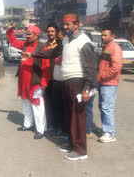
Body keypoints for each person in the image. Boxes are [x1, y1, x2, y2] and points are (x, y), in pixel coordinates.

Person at [25, 14, 97, 160]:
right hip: (66, 81)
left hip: (78, 81)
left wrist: (87, 89)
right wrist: (32, 54)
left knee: (78, 116)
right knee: (69, 115)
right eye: (64, 24)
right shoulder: (65, 40)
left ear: (77, 24)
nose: (65, 27)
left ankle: (80, 150)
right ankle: (72, 144)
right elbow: (51, 52)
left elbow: (91, 68)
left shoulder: (84, 42)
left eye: (68, 24)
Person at [7, 22, 50, 139]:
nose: (27, 36)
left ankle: (40, 129)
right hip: (24, 80)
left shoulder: (42, 47)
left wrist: (44, 83)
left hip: (35, 81)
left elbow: (46, 67)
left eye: (29, 34)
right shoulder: (25, 44)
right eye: (27, 34)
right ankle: (28, 124)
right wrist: (10, 30)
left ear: (36, 35)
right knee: (25, 102)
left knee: (37, 105)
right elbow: (14, 42)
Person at [97, 28, 122, 143]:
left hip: (109, 83)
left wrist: (102, 76)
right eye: (102, 35)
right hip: (103, 82)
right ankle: (106, 130)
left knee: (107, 108)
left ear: (112, 36)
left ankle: (110, 133)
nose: (103, 37)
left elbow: (116, 67)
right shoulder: (105, 47)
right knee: (103, 107)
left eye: (105, 35)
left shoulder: (115, 48)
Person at [44, 23, 59, 131]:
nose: (50, 33)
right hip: (46, 78)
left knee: (57, 102)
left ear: (56, 32)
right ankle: (49, 123)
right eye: (48, 31)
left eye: (52, 31)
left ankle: (56, 124)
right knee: (47, 102)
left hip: (58, 78)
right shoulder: (45, 45)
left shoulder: (60, 45)